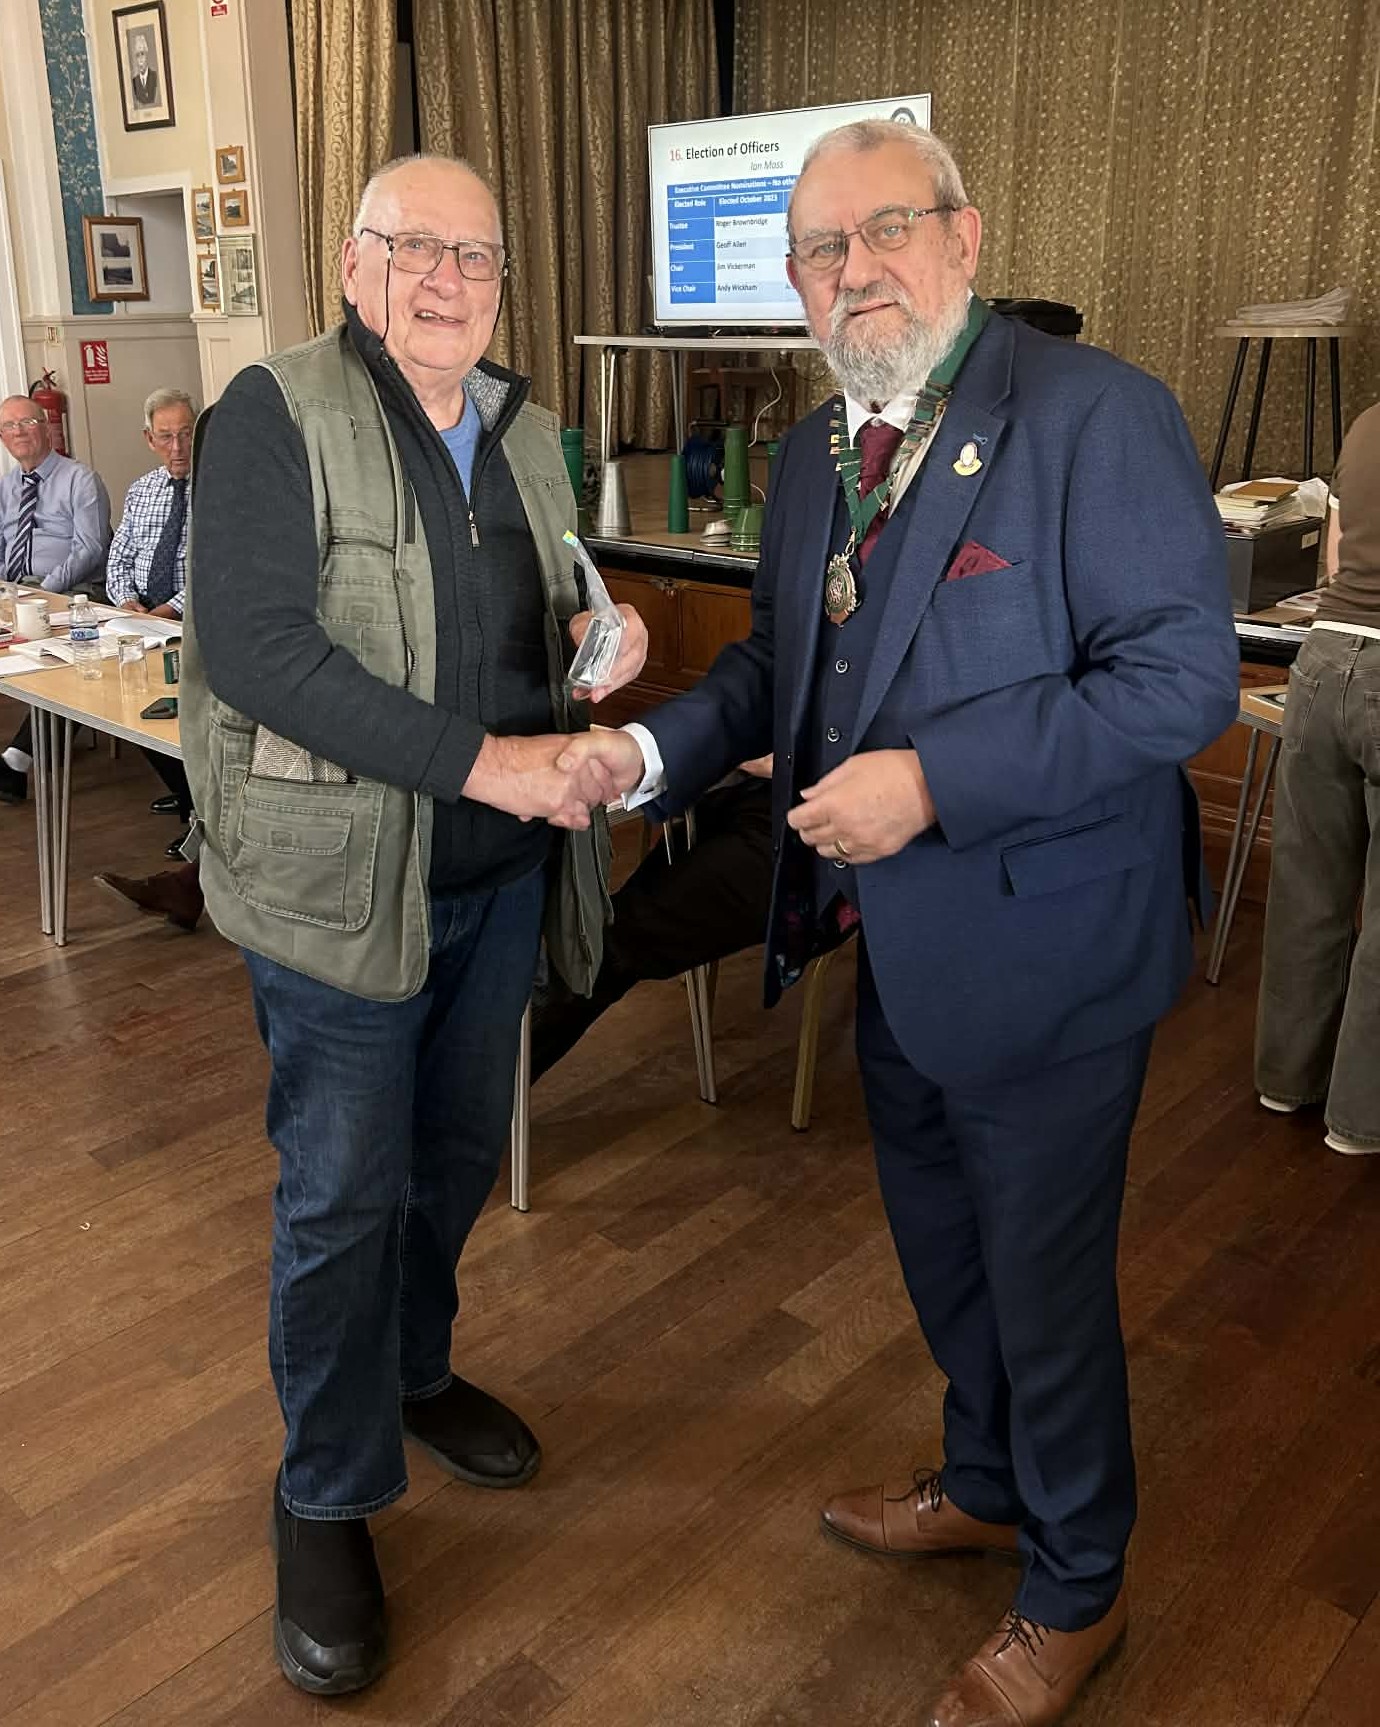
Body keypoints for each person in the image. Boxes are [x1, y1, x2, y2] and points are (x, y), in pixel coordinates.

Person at [563, 120, 1240, 1727]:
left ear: (964, 236)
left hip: (1054, 952)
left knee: (1045, 1287)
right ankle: (988, 1481)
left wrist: (933, 780)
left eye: (885, 230)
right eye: (820, 248)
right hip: (897, 952)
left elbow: (1179, 682)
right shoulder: (817, 453)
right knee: (947, 1251)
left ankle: (1076, 1582)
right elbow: (777, 669)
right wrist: (646, 754)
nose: (853, 269)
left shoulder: (1098, 414)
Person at [179, 152, 645, 1697]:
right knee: (340, 1194)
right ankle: (323, 1489)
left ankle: (415, 1370)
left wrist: (604, 633)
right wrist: (488, 761)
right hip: (336, 896)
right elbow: (258, 650)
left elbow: (557, 608)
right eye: (414, 248)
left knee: (451, 1157)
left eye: (477, 255)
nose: (447, 279)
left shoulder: (525, 428)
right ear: (352, 263)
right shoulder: (273, 413)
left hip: (498, 884)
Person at [1255, 401, 1380, 1155]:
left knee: (1308, 887)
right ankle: (1360, 1121)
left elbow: (1335, 561)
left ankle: (1286, 1079)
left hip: (1324, 658)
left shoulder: (1366, 422)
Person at [531, 764, 774, 1079]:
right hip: (746, 796)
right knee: (604, 933)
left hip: (810, 839)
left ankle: (482, 1084)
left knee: (605, 949)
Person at [0, 396, 111, 804]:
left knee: (65, 658)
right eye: (9, 426)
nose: (18, 432)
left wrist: (44, 591)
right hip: (17, 591)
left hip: (72, 591)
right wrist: (7, 590)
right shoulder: (6, 486)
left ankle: (16, 760)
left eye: (27, 423)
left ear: (46, 427)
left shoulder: (81, 479)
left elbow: (91, 548)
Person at [104, 387, 199, 850]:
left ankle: (198, 812)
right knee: (124, 706)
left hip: (190, 622)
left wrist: (170, 609)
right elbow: (117, 557)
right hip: (138, 622)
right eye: (166, 436)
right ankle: (185, 794)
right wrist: (128, 603)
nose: (177, 447)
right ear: (149, 439)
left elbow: (215, 566)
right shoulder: (141, 489)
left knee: (183, 717)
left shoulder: (220, 486)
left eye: (186, 433)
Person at [128, 32, 158, 108]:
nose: (140, 59)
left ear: (147, 55)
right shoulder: (134, 81)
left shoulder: (154, 76)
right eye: (137, 55)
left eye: (142, 54)